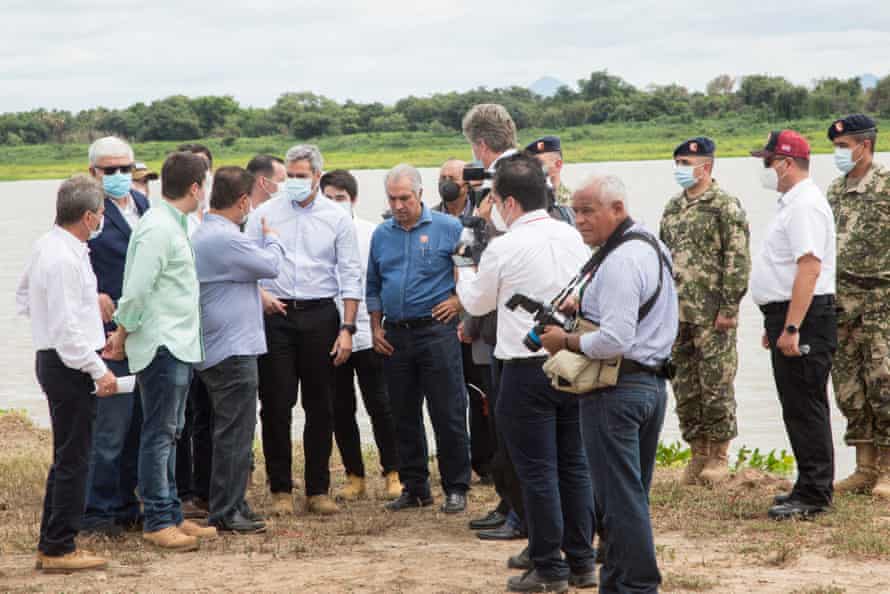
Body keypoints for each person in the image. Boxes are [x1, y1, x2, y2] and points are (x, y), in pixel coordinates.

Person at [457, 154, 596, 592]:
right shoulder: (573, 236)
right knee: (574, 465)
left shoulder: (504, 246)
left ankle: (548, 567)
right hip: (571, 361)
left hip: (524, 366)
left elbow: (476, 303)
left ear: (510, 203)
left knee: (536, 471)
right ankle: (581, 560)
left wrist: (463, 263)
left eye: (496, 200)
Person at [540, 175, 678, 594]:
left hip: (616, 390)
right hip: (649, 386)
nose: (579, 220)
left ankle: (638, 584)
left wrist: (564, 339)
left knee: (619, 500)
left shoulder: (619, 261)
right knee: (628, 495)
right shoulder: (650, 246)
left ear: (617, 208)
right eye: (576, 211)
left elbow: (615, 339)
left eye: (588, 211)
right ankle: (617, 582)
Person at [104, 151, 217, 550]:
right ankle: (157, 519)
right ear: (194, 188)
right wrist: (121, 331)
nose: (206, 192)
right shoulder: (157, 228)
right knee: (159, 433)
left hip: (180, 343)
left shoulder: (176, 223)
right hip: (162, 345)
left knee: (171, 432)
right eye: (204, 184)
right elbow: (135, 290)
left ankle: (170, 512)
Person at [247, 144, 363, 516]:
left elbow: (349, 273)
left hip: (320, 315)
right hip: (276, 315)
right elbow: (246, 263)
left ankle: (318, 489)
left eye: (302, 176)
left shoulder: (336, 217)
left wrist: (347, 328)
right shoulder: (264, 213)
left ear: (317, 176)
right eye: (290, 176)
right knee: (276, 403)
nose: (295, 182)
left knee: (321, 404)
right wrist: (261, 294)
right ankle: (280, 487)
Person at [17, 175, 117, 573]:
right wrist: (98, 368)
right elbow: (65, 329)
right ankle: (60, 546)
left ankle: (54, 541)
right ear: (89, 216)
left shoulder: (52, 245)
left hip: (61, 356)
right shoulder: (61, 257)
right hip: (68, 364)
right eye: (102, 214)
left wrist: (85, 328)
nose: (103, 220)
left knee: (68, 456)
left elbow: (26, 297)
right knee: (74, 458)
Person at [366, 163, 472, 514]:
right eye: (393, 198)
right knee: (403, 413)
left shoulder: (451, 227)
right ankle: (415, 487)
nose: (398, 205)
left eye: (405, 198)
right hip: (396, 335)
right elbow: (373, 284)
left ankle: (456, 486)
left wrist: (459, 301)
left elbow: (474, 273)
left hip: (436, 333)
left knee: (448, 412)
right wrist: (375, 326)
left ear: (421, 194)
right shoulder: (382, 234)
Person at [750, 130, 837, 520]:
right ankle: (807, 484)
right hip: (788, 313)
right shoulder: (791, 204)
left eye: (767, 161)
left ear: (785, 163)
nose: (764, 169)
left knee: (806, 404)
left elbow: (810, 267)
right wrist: (778, 323)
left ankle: (816, 493)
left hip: (805, 315)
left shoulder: (805, 206)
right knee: (796, 404)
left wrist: (792, 327)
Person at [192, 166, 284, 533]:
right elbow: (271, 266)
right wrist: (272, 237)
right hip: (230, 350)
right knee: (234, 432)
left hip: (223, 345)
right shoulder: (223, 237)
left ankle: (234, 502)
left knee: (233, 431)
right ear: (244, 200)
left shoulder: (209, 232)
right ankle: (226, 510)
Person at [659, 136, 751, 485]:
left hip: (713, 312)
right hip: (678, 312)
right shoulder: (672, 207)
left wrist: (729, 306)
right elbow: (662, 258)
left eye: (687, 163)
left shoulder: (724, 205)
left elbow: (738, 259)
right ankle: (696, 451)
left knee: (716, 383)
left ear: (706, 167)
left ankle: (719, 454)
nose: (681, 169)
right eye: (678, 163)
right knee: (684, 383)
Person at [461, 103, 528, 541]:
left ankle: (518, 509)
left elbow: (492, 252)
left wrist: (471, 230)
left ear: (481, 145)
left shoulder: (502, 182)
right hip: (509, 314)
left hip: (505, 315)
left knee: (510, 419)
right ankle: (509, 501)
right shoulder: (523, 171)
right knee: (502, 416)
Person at [82, 136, 150, 536]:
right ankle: (96, 512)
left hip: (143, 331)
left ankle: (127, 504)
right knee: (109, 428)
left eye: (127, 168)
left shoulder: (144, 205)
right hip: (107, 336)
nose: (121, 176)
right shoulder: (87, 212)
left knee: (139, 426)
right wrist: (92, 293)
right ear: (94, 173)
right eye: (111, 170)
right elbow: (70, 258)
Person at [320, 168, 401, 501]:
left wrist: (381, 326)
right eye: (328, 198)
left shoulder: (373, 232)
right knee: (340, 408)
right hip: (332, 334)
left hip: (369, 332)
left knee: (381, 405)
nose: (334, 204)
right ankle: (354, 475)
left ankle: (394, 472)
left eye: (340, 198)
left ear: (352, 199)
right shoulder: (315, 234)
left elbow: (380, 281)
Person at [826, 114, 890, 497]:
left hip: (881, 302)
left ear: (864, 145)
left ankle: (887, 469)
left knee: (883, 383)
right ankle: (864, 467)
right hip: (841, 304)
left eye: (843, 146)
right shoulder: (833, 191)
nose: (838, 152)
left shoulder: (886, 187)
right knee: (849, 386)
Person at [435, 159, 496, 485]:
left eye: (452, 178)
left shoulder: (483, 215)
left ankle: (486, 461)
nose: (446, 183)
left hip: (474, 318)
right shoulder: (429, 215)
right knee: (448, 398)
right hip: (440, 323)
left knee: (480, 394)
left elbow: (475, 264)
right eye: (441, 177)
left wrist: (463, 302)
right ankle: (455, 463)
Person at [176, 142, 214, 518]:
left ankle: (206, 489)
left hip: (214, 331)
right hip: (181, 331)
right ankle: (183, 491)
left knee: (209, 413)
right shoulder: (172, 220)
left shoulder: (220, 217)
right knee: (181, 417)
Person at [524, 135, 571, 204]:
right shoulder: (526, 194)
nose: (533, 167)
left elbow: (568, 208)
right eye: (531, 162)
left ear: (558, 164)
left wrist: (556, 183)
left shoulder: (566, 197)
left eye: (540, 163)